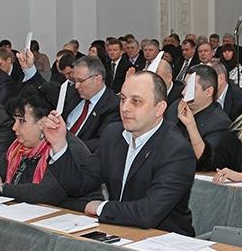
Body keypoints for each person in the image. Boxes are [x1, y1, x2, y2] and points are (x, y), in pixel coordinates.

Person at [43, 70, 197, 235]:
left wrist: (101, 208)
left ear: (159, 109)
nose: (125, 108)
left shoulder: (177, 150)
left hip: (163, 239)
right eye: (123, 99)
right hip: (117, 230)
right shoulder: (113, 134)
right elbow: (79, 184)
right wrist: (59, 143)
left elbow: (148, 213)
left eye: (136, 101)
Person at [0, 85, 102, 211]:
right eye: (14, 120)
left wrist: (2, 189)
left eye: (21, 121)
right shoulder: (17, 148)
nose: (14, 127)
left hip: (77, 219)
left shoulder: (65, 147)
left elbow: (47, 193)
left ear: (43, 123)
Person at [165, 65, 230, 168]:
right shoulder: (176, 106)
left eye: (191, 88)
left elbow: (207, 162)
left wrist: (191, 126)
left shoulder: (220, 123)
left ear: (208, 92)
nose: (183, 92)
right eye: (185, 86)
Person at [61, 55, 121, 152]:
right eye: (75, 81)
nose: (76, 86)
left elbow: (101, 142)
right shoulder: (73, 93)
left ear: (97, 79)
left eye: (80, 81)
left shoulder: (113, 105)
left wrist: (65, 146)